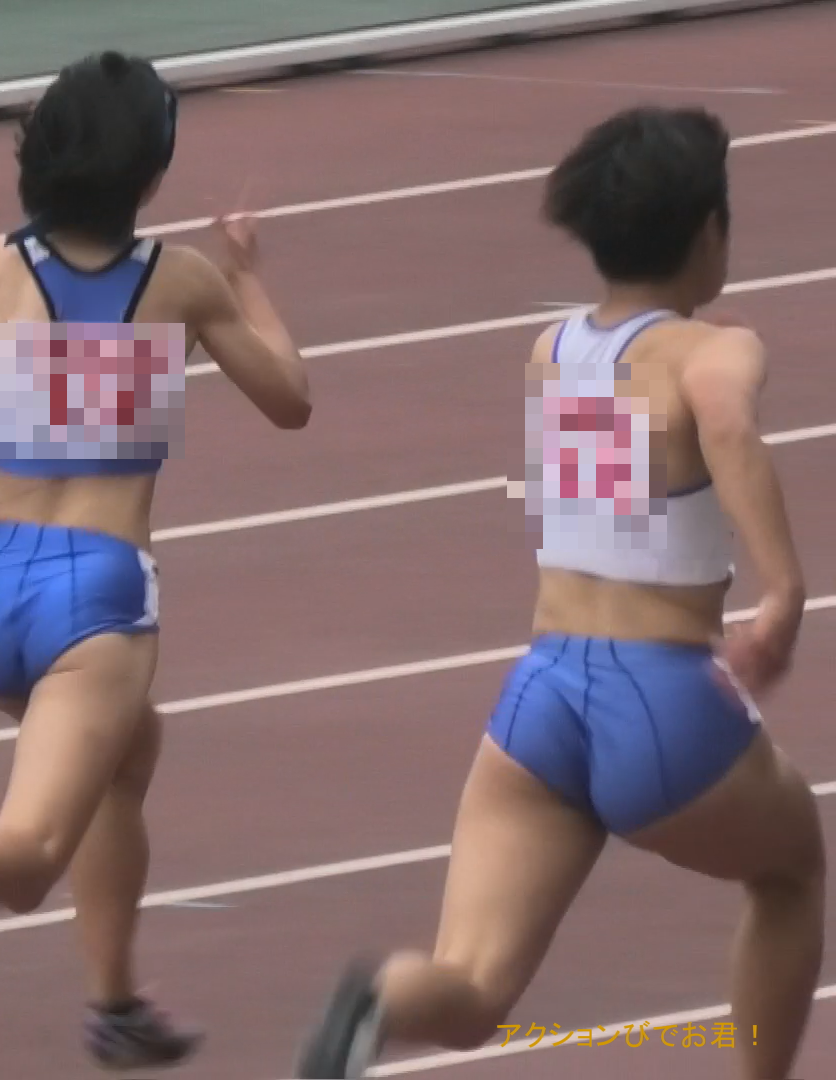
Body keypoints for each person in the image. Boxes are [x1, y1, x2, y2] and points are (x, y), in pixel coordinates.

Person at [0, 51, 311, 1071]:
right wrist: (249, 276)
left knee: (128, 757)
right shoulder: (183, 282)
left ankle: (116, 1003)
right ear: (151, 180)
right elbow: (291, 400)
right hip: (96, 601)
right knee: (30, 856)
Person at [295, 105, 824, 1080]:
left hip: (541, 701)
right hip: (660, 699)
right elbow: (721, 421)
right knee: (793, 868)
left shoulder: (551, 351)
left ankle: (381, 1002)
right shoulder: (715, 359)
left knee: (471, 986)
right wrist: (784, 592)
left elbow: (646, 438)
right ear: (710, 231)